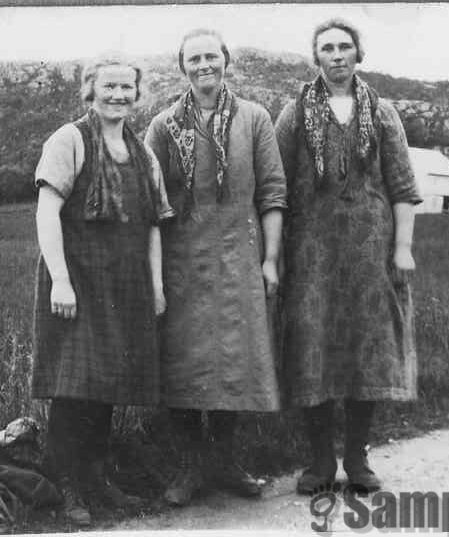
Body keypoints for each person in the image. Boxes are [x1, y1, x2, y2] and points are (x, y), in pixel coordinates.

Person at [274, 18, 422, 495]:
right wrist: (273, 255)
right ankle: (319, 461)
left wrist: (402, 249)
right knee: (310, 350)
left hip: (369, 254)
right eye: (327, 49)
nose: (336, 56)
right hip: (310, 254)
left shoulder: (383, 113)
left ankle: (357, 459)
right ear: (315, 57)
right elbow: (274, 190)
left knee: (368, 350)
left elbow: (402, 187)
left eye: (344, 47)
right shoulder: (293, 114)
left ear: (359, 54)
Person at [144, 29, 287, 506]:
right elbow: (151, 203)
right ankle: (190, 464)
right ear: (181, 66)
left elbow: (272, 193)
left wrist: (268, 259)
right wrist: (156, 272)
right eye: (194, 58)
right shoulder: (164, 126)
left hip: (238, 261)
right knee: (184, 363)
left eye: (212, 56)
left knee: (234, 362)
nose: (204, 65)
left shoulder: (255, 119)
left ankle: (224, 460)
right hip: (183, 263)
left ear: (226, 60)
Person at [31, 56, 174, 526]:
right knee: (73, 385)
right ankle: (64, 482)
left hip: (124, 284)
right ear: (90, 90)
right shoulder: (69, 139)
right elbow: (47, 212)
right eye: (108, 86)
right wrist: (61, 280)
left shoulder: (142, 152)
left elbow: (154, 225)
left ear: (137, 93)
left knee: (107, 383)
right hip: (77, 280)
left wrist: (155, 286)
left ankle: (96, 479)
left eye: (126, 87)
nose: (118, 95)